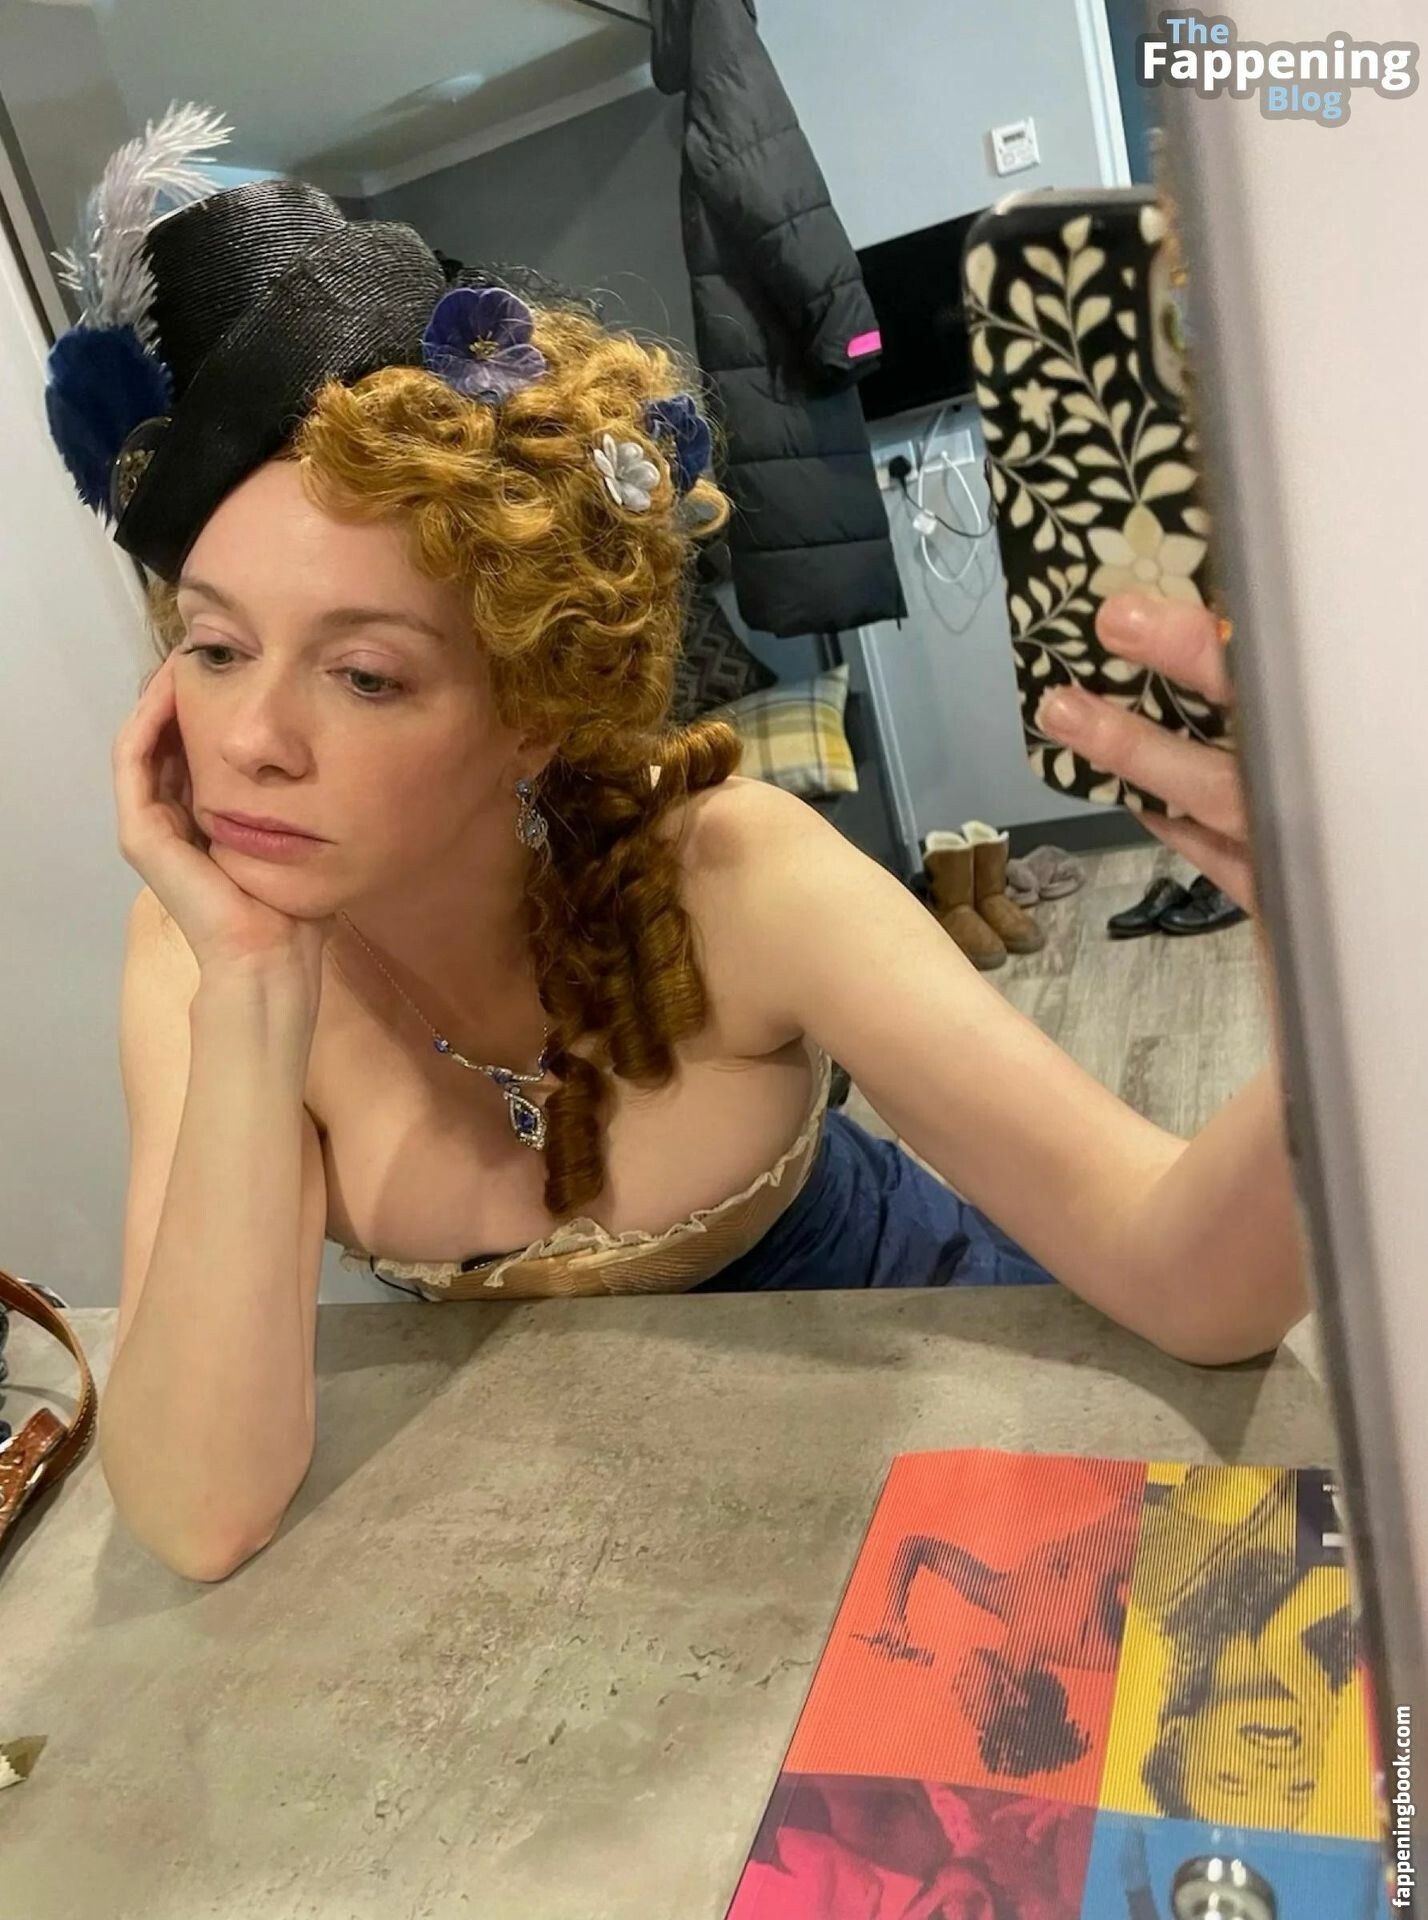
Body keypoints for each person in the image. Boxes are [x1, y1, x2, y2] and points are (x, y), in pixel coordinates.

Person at [44, 113, 1304, 1580]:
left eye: (367, 674)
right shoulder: (201, 950)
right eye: (213, 648)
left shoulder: (733, 878)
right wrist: (259, 986)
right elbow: (199, 1512)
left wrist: (1352, 973)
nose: (253, 738)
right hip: (615, 1559)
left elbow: (1190, 1284)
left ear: (532, 709)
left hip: (949, 1440)